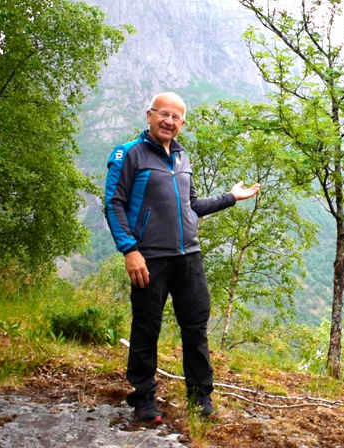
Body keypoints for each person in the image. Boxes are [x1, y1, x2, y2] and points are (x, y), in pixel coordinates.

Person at [104, 91, 260, 422]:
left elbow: (193, 206)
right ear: (149, 115)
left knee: (195, 327)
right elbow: (113, 203)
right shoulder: (128, 154)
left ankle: (200, 395)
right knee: (147, 326)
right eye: (163, 114)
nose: (169, 121)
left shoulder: (181, 157)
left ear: (183, 123)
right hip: (150, 258)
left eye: (176, 117)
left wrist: (231, 197)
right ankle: (143, 396)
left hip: (189, 256)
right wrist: (129, 250)